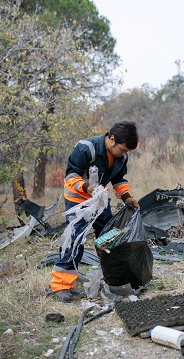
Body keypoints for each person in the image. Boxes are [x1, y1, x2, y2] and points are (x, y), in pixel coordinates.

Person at [50, 120, 140, 303]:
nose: (124, 154)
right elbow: (70, 176)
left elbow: (119, 179)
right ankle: (61, 285)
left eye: (126, 152)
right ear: (112, 139)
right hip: (78, 200)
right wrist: (86, 187)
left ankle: (112, 278)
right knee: (74, 240)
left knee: (108, 238)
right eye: (122, 150)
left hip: (99, 199)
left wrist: (126, 197)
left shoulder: (122, 156)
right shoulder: (86, 148)